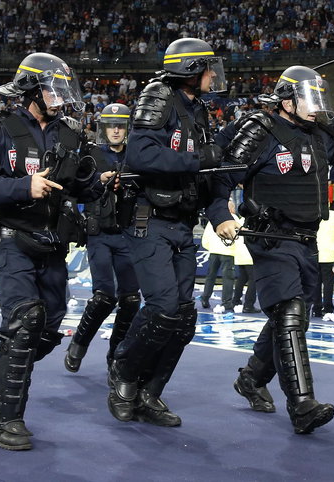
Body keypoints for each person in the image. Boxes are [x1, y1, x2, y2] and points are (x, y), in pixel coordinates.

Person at [210, 64, 334, 435]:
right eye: (308, 98)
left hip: (307, 240)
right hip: (271, 237)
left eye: (318, 97)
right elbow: (220, 177)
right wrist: (220, 216)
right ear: (285, 100)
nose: (316, 105)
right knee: (291, 312)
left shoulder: (317, 134)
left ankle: (250, 378)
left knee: (289, 318)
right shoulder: (259, 130)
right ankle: (302, 405)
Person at [0, 52, 101, 450]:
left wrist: (100, 182)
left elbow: (81, 183)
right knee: (26, 320)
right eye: (53, 89)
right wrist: (24, 187)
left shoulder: (72, 132)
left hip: (53, 244)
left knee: (49, 326)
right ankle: (9, 420)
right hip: (11, 238)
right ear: (31, 90)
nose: (61, 97)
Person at [107, 37, 226, 428]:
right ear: (191, 69)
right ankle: (123, 372)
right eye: (207, 67)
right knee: (162, 307)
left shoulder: (201, 112)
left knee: (184, 317)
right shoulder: (159, 96)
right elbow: (140, 155)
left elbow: (207, 174)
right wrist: (197, 159)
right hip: (149, 220)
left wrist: (221, 212)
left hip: (183, 224)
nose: (213, 74)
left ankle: (149, 393)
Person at [63, 103, 142, 374]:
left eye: (120, 125)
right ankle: (79, 343)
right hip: (99, 234)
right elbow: (74, 187)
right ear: (103, 128)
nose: (116, 129)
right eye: (111, 125)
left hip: (128, 233)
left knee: (132, 299)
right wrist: (98, 180)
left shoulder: (137, 155)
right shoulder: (91, 155)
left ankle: (116, 355)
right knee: (103, 296)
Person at [199, 200, 237, 311]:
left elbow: (205, 237)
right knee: (228, 279)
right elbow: (239, 237)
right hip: (228, 252)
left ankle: (205, 298)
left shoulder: (212, 220)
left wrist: (210, 248)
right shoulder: (234, 219)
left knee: (210, 277)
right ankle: (227, 302)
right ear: (230, 209)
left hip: (214, 252)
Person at [313, 205, 334, 318]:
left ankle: (316, 308)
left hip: (315, 253)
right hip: (329, 255)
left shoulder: (312, 215)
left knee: (316, 284)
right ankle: (328, 309)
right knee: (328, 285)